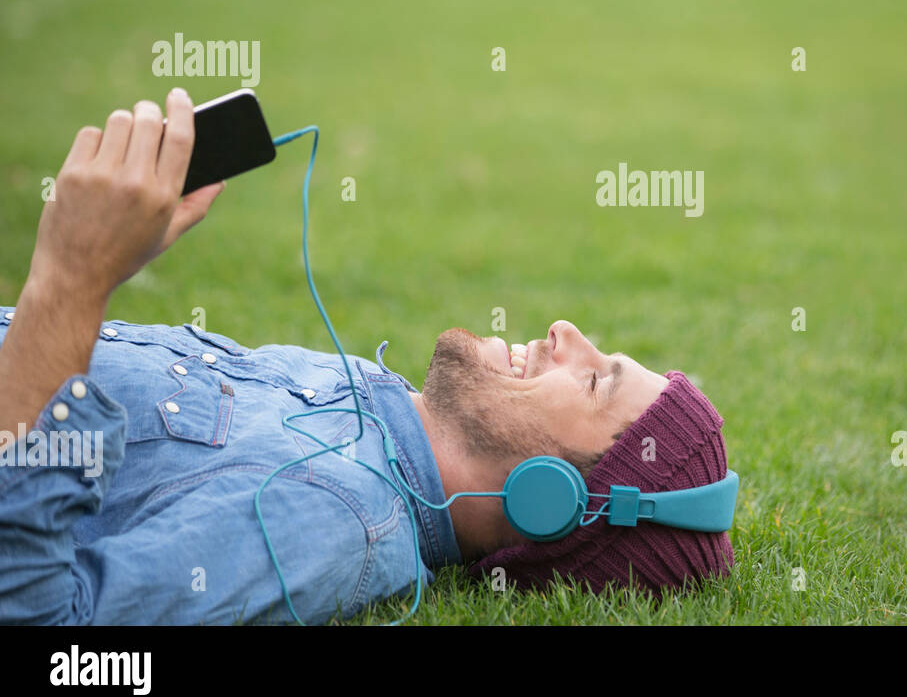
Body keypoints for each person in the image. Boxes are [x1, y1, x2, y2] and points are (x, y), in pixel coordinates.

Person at [0, 90, 734, 624]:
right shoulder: (371, 403)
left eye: (596, 380)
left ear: (555, 501)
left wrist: (72, 281)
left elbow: (48, 626)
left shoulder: (334, 519)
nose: (565, 333)